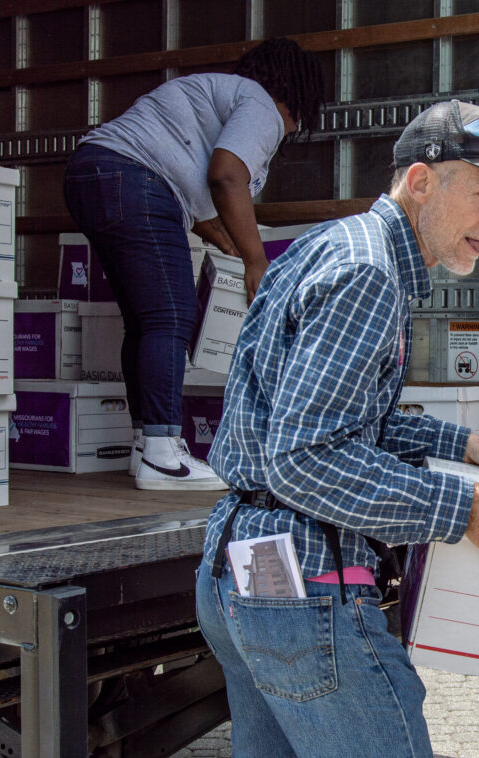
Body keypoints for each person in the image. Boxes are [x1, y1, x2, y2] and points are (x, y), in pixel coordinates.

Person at [192, 100, 479, 758]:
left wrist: (456, 445)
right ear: (423, 180)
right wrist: (460, 506)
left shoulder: (338, 246)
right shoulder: (369, 273)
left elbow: (323, 411)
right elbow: (304, 454)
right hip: (302, 591)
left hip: (239, 569)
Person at [63, 38, 324, 490]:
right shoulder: (260, 104)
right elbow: (226, 176)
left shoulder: (216, 95)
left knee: (144, 322)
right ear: (296, 96)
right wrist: (257, 264)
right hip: (134, 178)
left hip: (93, 173)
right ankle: (163, 455)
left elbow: (202, 208)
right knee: (170, 314)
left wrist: (231, 247)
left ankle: (146, 445)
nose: (293, 127)